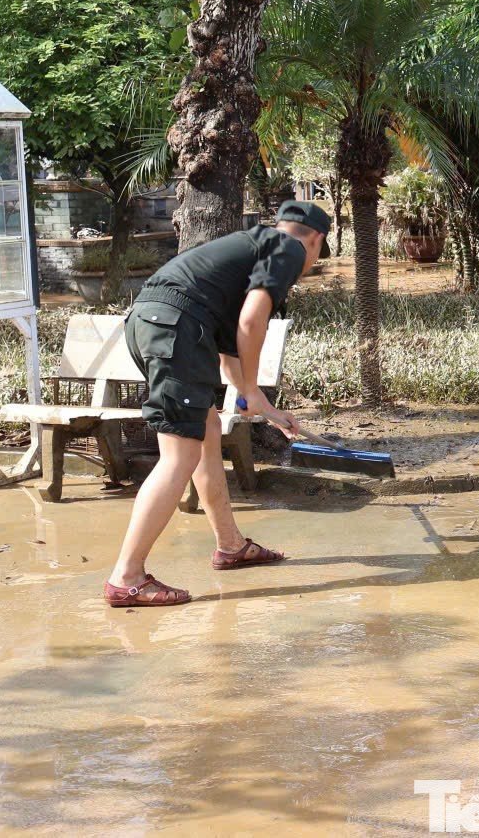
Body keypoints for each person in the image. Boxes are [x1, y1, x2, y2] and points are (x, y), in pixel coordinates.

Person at [103, 201, 329, 607]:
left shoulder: (246, 249)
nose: (309, 262)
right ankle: (127, 577)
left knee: (205, 431)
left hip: (154, 324)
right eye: (316, 252)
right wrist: (256, 389)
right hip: (176, 330)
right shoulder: (289, 247)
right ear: (315, 240)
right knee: (178, 457)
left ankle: (231, 545)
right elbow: (251, 323)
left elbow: (229, 349)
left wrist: (257, 402)